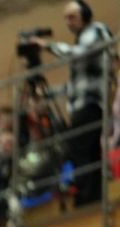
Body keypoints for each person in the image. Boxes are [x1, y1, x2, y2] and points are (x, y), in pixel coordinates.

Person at [35, 1, 114, 206]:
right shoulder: (82, 39)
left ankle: (86, 200)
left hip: (90, 104)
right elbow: (75, 86)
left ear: (85, 15)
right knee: (88, 153)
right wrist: (48, 93)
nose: (68, 22)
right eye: (66, 18)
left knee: (80, 152)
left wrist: (47, 46)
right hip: (83, 104)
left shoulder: (95, 30)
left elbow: (79, 53)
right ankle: (93, 199)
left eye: (72, 17)